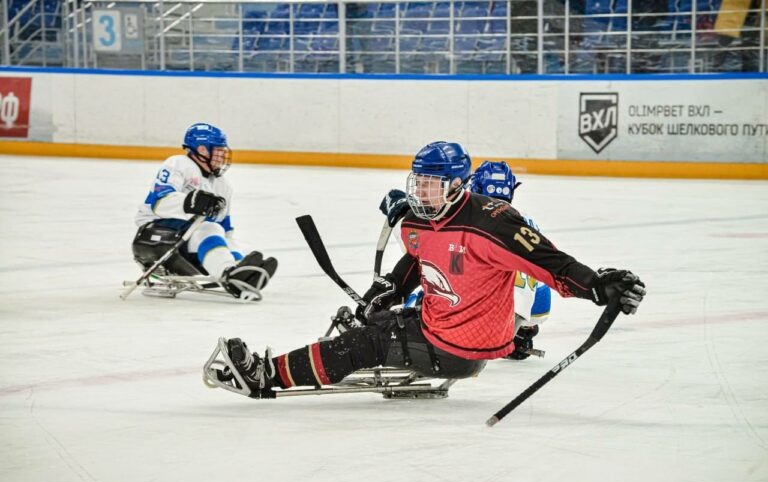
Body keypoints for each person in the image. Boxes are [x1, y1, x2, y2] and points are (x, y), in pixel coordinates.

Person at [217, 141, 645, 399]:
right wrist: (387, 291)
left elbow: (554, 265)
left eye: (430, 184)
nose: (420, 191)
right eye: (417, 182)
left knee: (368, 339)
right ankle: (372, 334)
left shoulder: (493, 222)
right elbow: (418, 262)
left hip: (463, 345)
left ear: (456, 184)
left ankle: (264, 376)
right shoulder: (418, 222)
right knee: (380, 318)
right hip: (439, 323)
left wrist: (598, 286)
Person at [380, 160, 551, 360]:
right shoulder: (523, 220)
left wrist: (402, 212)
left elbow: (438, 258)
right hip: (537, 309)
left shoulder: (473, 222)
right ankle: (524, 333)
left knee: (436, 277)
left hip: (487, 317)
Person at [132, 122, 277, 298]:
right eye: (218, 151)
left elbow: (225, 231)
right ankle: (228, 275)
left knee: (237, 246)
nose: (222, 156)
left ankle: (240, 274)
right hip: (155, 235)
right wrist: (191, 202)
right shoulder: (179, 163)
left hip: (188, 239)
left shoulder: (223, 186)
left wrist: (237, 256)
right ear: (201, 149)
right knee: (209, 228)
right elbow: (159, 201)